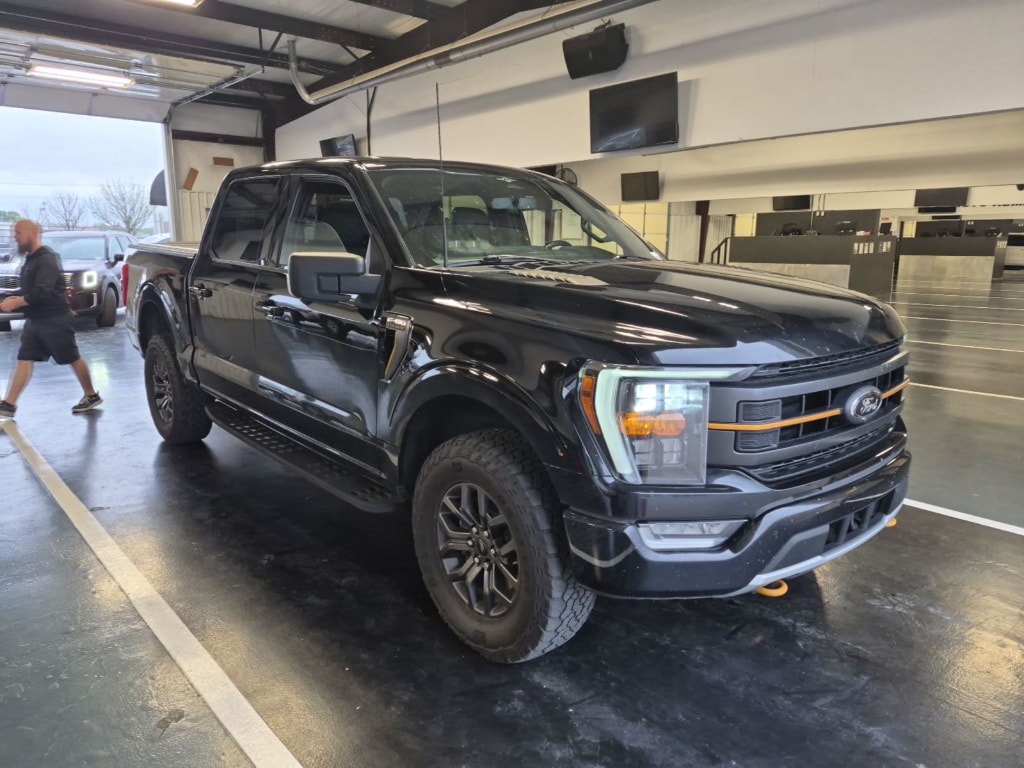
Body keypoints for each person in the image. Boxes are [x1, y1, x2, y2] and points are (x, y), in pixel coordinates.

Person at [0, 219, 102, 418]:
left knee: (72, 357)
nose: (15, 237)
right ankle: (9, 405)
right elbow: (30, 290)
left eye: (18, 232)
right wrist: (13, 297)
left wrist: (17, 302)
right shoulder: (31, 259)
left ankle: (91, 395)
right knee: (24, 359)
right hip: (36, 319)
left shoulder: (47, 259)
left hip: (55, 320)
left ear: (33, 233)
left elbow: (43, 291)